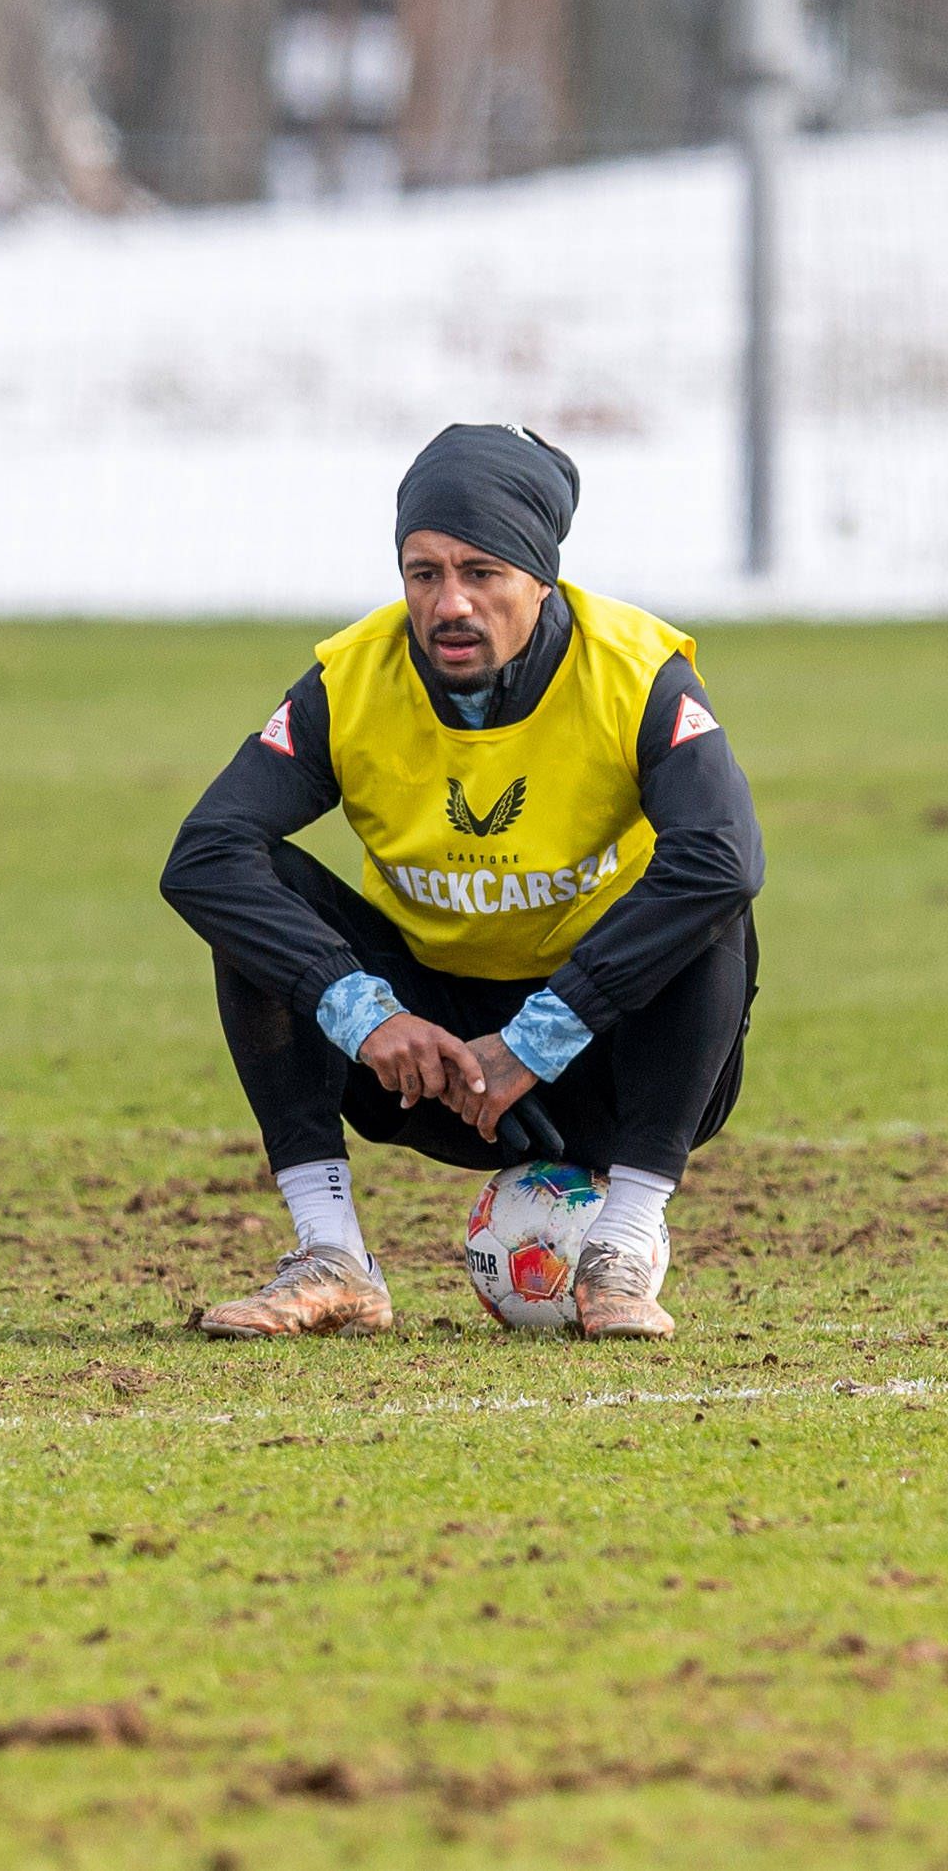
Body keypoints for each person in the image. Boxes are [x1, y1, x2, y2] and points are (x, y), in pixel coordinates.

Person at [160, 424, 765, 1341]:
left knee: (710, 892)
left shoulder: (638, 674)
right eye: (423, 573)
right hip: (432, 1071)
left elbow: (723, 857)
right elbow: (205, 854)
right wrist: (364, 1013)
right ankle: (334, 1259)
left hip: (614, 1059)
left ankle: (623, 1248)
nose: (450, 604)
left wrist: (535, 1039)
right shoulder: (349, 680)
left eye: (482, 573)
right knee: (255, 899)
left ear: (541, 579)